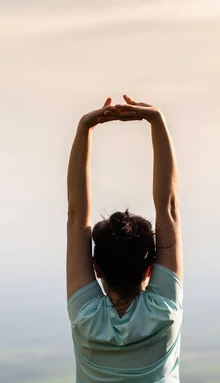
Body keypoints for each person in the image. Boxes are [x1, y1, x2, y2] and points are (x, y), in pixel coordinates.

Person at [66, 95, 183, 382]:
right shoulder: (164, 312)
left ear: (96, 267)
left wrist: (85, 128)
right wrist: (156, 119)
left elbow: (76, 217)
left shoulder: (87, 319)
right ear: (151, 267)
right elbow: (168, 207)